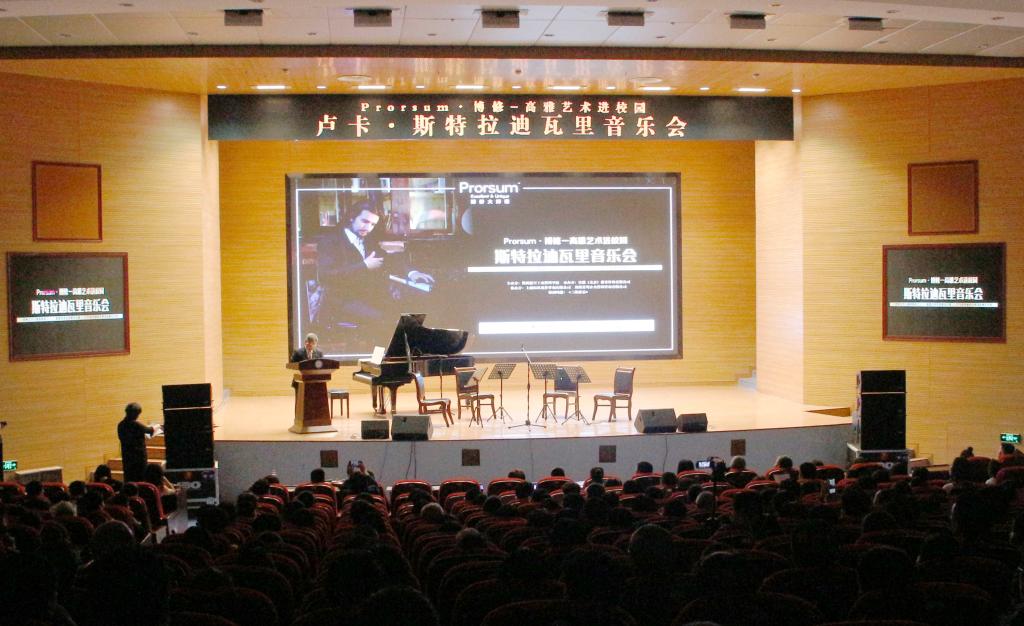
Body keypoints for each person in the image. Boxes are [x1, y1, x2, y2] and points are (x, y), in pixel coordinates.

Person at [317, 201, 434, 328]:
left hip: (366, 297)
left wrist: (412, 273)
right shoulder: (330, 241)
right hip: (341, 301)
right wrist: (364, 265)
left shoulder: (368, 239)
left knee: (409, 313)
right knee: (390, 321)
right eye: (365, 221)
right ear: (352, 217)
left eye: (372, 224)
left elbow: (387, 259)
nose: (368, 228)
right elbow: (326, 275)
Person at [117, 402, 154, 483]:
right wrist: (155, 427)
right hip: (138, 457)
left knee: (129, 478)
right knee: (140, 479)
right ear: (134, 414)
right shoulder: (136, 424)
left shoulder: (120, 425)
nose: (138, 416)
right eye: (137, 414)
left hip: (127, 456)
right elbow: (149, 430)